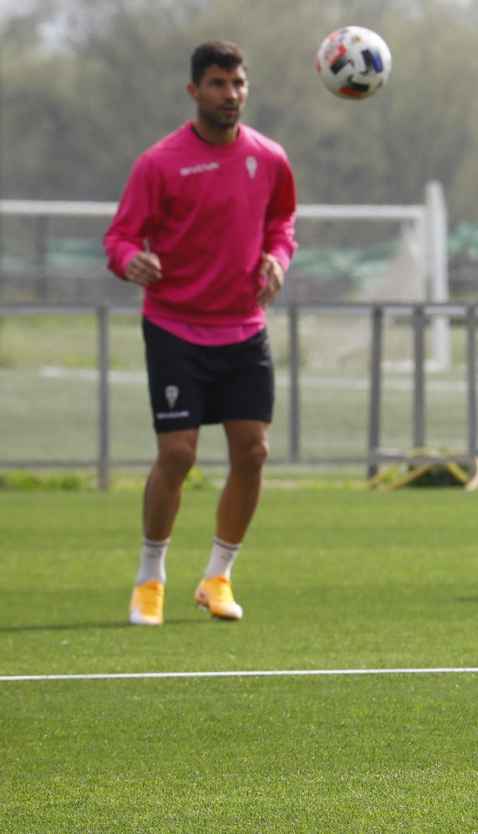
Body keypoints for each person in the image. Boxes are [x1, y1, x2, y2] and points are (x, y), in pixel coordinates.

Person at [105, 41, 297, 626]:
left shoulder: (269, 158)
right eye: (217, 84)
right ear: (195, 92)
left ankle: (217, 576)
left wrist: (277, 259)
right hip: (175, 327)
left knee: (254, 452)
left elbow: (282, 222)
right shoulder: (159, 163)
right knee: (177, 455)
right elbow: (119, 238)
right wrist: (129, 261)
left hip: (243, 328)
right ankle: (150, 580)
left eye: (238, 84)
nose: (230, 95)